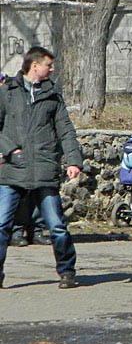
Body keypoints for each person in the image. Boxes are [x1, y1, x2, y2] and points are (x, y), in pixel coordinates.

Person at [0, 47, 83, 290]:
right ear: (34, 66)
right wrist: (10, 148)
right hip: (13, 170)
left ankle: (67, 271)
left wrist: (74, 160)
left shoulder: (52, 96)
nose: (52, 68)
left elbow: (65, 129)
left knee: (57, 226)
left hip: (45, 169)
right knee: (2, 225)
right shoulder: (7, 94)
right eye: (48, 64)